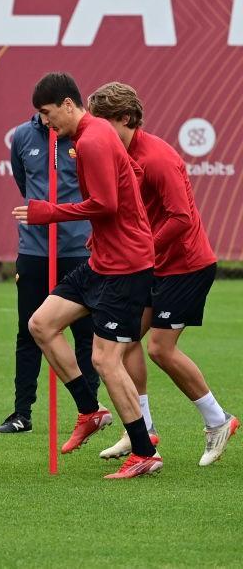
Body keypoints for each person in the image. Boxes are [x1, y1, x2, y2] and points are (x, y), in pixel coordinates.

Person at [12, 72, 160, 480]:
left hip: (126, 267)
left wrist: (50, 211)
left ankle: (144, 452)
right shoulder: (91, 135)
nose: (45, 123)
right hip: (103, 262)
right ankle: (91, 411)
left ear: (68, 104)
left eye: (47, 113)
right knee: (41, 324)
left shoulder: (92, 138)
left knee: (104, 358)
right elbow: (127, 181)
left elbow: (107, 204)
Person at [89, 82, 238, 465]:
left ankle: (218, 421)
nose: (100, 133)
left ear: (126, 118)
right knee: (123, 340)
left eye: (105, 124)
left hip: (185, 265)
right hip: (150, 264)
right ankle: (142, 429)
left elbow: (180, 218)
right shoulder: (117, 153)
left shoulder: (157, 158)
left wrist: (139, 248)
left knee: (159, 348)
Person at [0, 113, 99, 434]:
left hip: (78, 248)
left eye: (51, 107)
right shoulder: (24, 136)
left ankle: (90, 410)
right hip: (35, 250)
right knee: (29, 330)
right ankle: (21, 413)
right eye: (42, 108)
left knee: (85, 333)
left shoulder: (84, 138)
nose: (47, 115)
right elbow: (23, 182)